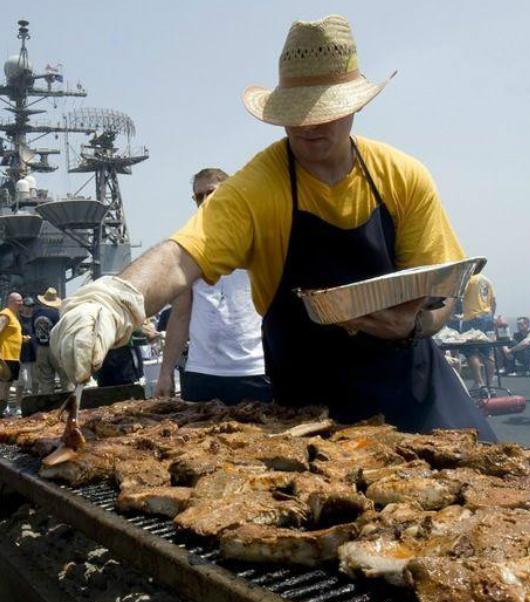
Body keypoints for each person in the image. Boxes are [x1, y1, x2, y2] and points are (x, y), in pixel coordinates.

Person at [51, 15, 495, 441]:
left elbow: (439, 295)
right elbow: (181, 255)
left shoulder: (402, 177)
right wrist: (115, 299)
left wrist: (415, 325)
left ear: (354, 107)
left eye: (325, 109)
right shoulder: (257, 188)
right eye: (297, 110)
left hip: (412, 389)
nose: (309, 124)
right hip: (306, 408)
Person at [154, 168, 271, 405]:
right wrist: (165, 372)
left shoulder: (258, 239)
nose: (205, 201)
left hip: (256, 369)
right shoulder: (188, 250)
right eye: (199, 196)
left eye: (212, 192)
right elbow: (180, 316)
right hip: (203, 373)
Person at [461, 273, 497, 394]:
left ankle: (479, 383)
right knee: (488, 352)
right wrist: (490, 317)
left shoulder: (468, 280)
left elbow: (458, 296)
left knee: (471, 351)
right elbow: (493, 301)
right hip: (487, 317)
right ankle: (491, 386)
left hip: (472, 318)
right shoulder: (487, 280)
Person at [33, 287, 72, 394]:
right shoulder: (57, 315)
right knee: (65, 378)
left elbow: (33, 331)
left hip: (41, 349)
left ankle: (48, 406)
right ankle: (68, 403)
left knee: (46, 379)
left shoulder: (35, 314)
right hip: (55, 348)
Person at [0, 292, 23, 415]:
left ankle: (3, 408)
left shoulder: (14, 315)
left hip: (13, 357)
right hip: (5, 356)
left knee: (8, 385)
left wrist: (22, 338)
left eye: (21, 300)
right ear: (10, 301)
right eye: (17, 301)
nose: (21, 303)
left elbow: (10, 335)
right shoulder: (5, 314)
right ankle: (1, 410)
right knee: (3, 385)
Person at [17, 297, 36, 400]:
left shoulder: (35, 318)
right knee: (22, 381)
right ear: (22, 306)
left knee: (35, 381)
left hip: (35, 353)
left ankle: (35, 402)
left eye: (31, 306)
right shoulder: (18, 319)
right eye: (28, 306)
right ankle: (18, 405)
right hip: (22, 354)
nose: (30, 308)